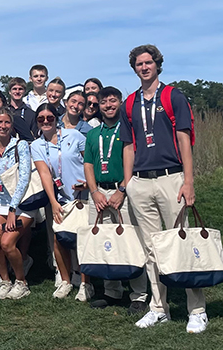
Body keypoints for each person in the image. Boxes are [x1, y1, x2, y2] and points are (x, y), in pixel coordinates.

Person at [120, 44, 207, 333]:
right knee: (151, 247)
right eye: (139, 64)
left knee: (182, 242)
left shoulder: (173, 96)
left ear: (158, 65)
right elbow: (128, 145)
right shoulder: (129, 102)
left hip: (172, 177)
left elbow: (185, 139)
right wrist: (129, 182)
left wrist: (189, 181)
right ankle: (159, 307)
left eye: (149, 62)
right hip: (141, 182)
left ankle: (197, 310)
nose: (144, 67)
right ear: (134, 68)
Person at [83, 86, 148, 315]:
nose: (108, 106)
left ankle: (139, 294)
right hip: (99, 192)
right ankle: (112, 291)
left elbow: (135, 160)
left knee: (131, 241)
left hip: (124, 191)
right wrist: (94, 192)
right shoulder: (93, 133)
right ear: (98, 106)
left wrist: (122, 189)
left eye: (112, 101)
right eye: (104, 102)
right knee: (105, 243)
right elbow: (88, 164)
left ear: (120, 102)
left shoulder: (128, 130)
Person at [31, 103, 91, 300]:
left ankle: (85, 283)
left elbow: (89, 161)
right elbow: (45, 174)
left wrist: (89, 183)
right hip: (61, 199)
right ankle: (65, 280)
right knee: (59, 239)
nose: (46, 122)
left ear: (56, 118)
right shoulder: (37, 145)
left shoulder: (73, 136)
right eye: (41, 119)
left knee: (82, 240)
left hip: (83, 196)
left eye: (49, 118)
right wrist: (53, 202)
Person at [0, 108, 37, 300]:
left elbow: (24, 179)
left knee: (7, 242)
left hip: (23, 203)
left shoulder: (20, 146)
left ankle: (21, 282)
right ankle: (6, 281)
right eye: (0, 122)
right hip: (0, 204)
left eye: (7, 123)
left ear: (12, 126)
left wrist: (13, 210)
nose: (3, 126)